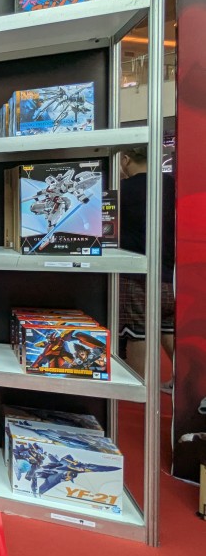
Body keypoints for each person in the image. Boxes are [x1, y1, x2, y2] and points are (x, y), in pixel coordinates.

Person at [118, 146, 176, 389]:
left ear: (126, 159)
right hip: (170, 270)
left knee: (136, 331)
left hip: (136, 272)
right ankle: (181, 383)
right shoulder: (170, 184)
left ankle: (137, 387)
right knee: (168, 327)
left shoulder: (123, 190)